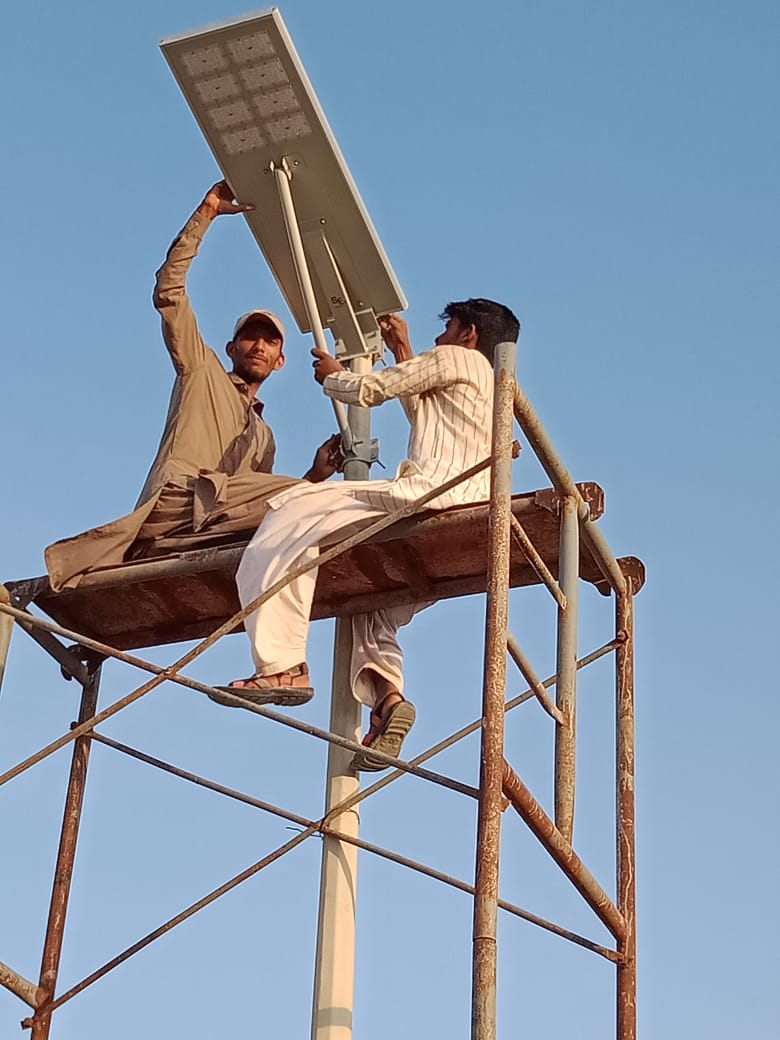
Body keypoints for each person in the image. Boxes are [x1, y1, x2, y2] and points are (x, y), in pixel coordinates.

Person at [219, 299, 520, 770]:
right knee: (372, 608)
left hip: (427, 493)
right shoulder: (494, 385)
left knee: (291, 510)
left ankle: (281, 667)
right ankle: (388, 701)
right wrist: (402, 347)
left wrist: (335, 378)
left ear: (469, 335)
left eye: (448, 331)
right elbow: (424, 411)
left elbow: (373, 389)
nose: (438, 340)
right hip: (473, 508)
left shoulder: (455, 357)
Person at [44, 181, 341, 593]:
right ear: (231, 348)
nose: (258, 346)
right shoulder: (202, 370)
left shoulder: (264, 438)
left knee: (298, 519)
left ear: (280, 360)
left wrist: (315, 475)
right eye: (251, 338)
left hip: (212, 520)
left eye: (269, 341)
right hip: (177, 501)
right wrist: (206, 215)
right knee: (316, 501)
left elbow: (260, 508)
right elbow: (169, 292)